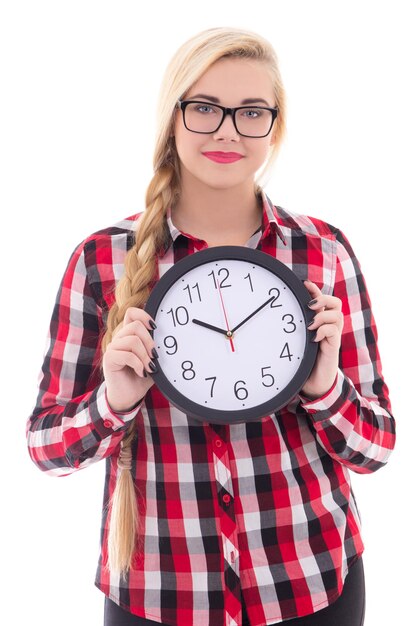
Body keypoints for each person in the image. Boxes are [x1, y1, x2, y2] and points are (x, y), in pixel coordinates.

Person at [26, 26, 396, 626]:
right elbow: (46, 447)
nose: (227, 129)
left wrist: (324, 388)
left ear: (275, 126)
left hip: (308, 581)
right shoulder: (102, 261)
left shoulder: (322, 252)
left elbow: (376, 448)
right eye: (204, 108)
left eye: (251, 112)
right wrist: (114, 401)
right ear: (172, 120)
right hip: (160, 592)